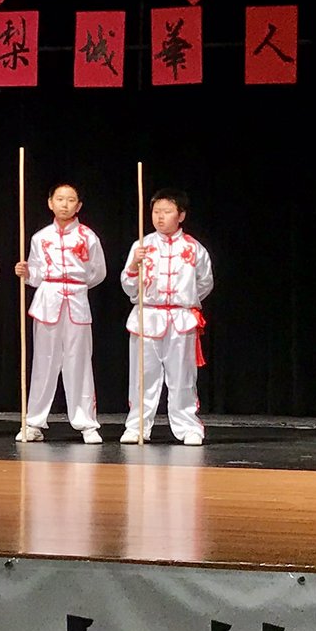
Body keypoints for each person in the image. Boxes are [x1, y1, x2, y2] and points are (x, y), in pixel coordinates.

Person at [13, 182, 107, 444]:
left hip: (76, 300)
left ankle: (86, 423)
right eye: (60, 199)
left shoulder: (88, 237)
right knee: (44, 362)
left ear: (78, 205)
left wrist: (74, 284)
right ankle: (33, 421)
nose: (65, 204)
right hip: (48, 300)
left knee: (79, 361)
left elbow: (97, 272)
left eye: (70, 200)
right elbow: (37, 274)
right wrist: (27, 273)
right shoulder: (40, 237)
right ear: (50, 202)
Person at [119, 188, 214, 445]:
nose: (160, 217)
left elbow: (204, 283)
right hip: (147, 317)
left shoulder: (194, 249)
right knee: (143, 376)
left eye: (167, 212)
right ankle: (138, 425)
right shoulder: (141, 246)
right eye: (156, 212)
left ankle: (188, 426)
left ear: (180, 215)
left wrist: (184, 301)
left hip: (180, 320)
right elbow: (128, 287)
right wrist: (132, 267)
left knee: (182, 376)